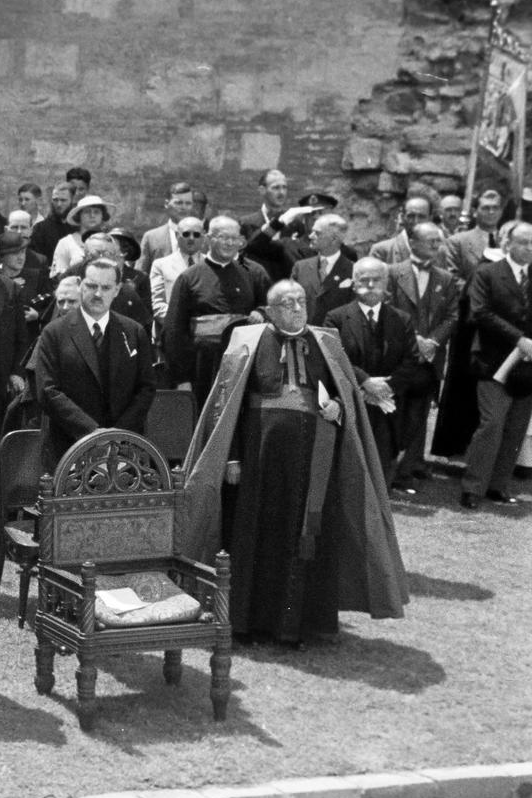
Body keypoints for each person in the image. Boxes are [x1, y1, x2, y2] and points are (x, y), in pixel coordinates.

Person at [179, 280, 408, 645]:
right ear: (271, 311)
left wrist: (336, 407)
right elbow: (227, 406)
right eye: (287, 303)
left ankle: (293, 626)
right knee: (253, 537)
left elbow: (344, 393)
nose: (297, 308)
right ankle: (244, 623)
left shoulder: (325, 343)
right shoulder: (246, 343)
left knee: (303, 538)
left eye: (301, 301)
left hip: (311, 461)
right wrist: (232, 456)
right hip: (257, 461)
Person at [33, 258, 159, 465]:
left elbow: (146, 387)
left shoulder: (133, 331)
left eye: (106, 287)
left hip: (124, 450)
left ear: (117, 290)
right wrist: (93, 433)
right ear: (81, 285)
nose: (98, 294)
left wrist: (117, 434)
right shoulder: (54, 333)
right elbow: (48, 390)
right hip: (69, 446)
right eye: (91, 286)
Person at [325, 258, 422, 487]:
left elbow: (411, 359)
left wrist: (386, 388)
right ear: (353, 282)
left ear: (386, 283)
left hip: (387, 406)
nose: (370, 285)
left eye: (376, 280)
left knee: (381, 466)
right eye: (364, 279)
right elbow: (333, 356)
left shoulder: (402, 319)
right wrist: (365, 382)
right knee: (346, 466)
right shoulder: (336, 318)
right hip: (348, 401)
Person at [457, 222, 532, 509]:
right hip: (493, 360)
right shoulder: (487, 273)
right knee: (492, 424)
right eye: (523, 242)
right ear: (508, 244)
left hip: (527, 365)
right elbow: (479, 312)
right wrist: (519, 339)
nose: (529, 248)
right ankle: (472, 487)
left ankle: (498, 486)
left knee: (516, 427)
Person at [163, 216, 272, 402]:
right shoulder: (189, 278)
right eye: (223, 237)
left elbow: (271, 307)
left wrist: (260, 312)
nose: (230, 243)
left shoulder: (253, 273)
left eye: (234, 238)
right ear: (208, 238)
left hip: (243, 364)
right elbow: (174, 330)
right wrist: (182, 379)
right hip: (201, 366)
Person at [387, 224, 460, 489]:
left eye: (437, 242)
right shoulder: (394, 273)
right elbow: (387, 308)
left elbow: (453, 315)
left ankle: (406, 473)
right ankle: (386, 472)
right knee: (393, 417)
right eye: (429, 241)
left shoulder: (446, 278)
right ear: (413, 243)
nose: (434, 246)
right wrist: (413, 338)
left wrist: (434, 341)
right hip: (400, 357)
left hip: (429, 360)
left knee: (418, 419)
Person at [289, 215, 358, 326]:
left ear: (334, 239)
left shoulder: (353, 270)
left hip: (336, 337)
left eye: (317, 233)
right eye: (312, 232)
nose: (311, 236)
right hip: (304, 336)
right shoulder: (300, 267)